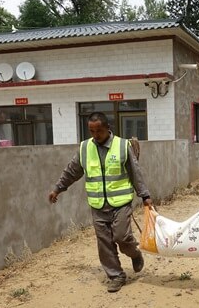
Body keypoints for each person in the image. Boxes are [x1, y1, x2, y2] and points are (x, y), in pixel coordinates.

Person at [48, 112, 153, 293]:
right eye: (91, 131)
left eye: (99, 131)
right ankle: (116, 275)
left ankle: (135, 253)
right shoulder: (85, 148)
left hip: (120, 203)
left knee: (121, 237)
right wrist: (58, 188)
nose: (95, 135)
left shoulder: (122, 145)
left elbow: (135, 172)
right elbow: (72, 171)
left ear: (108, 128)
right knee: (104, 242)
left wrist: (145, 196)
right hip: (97, 205)